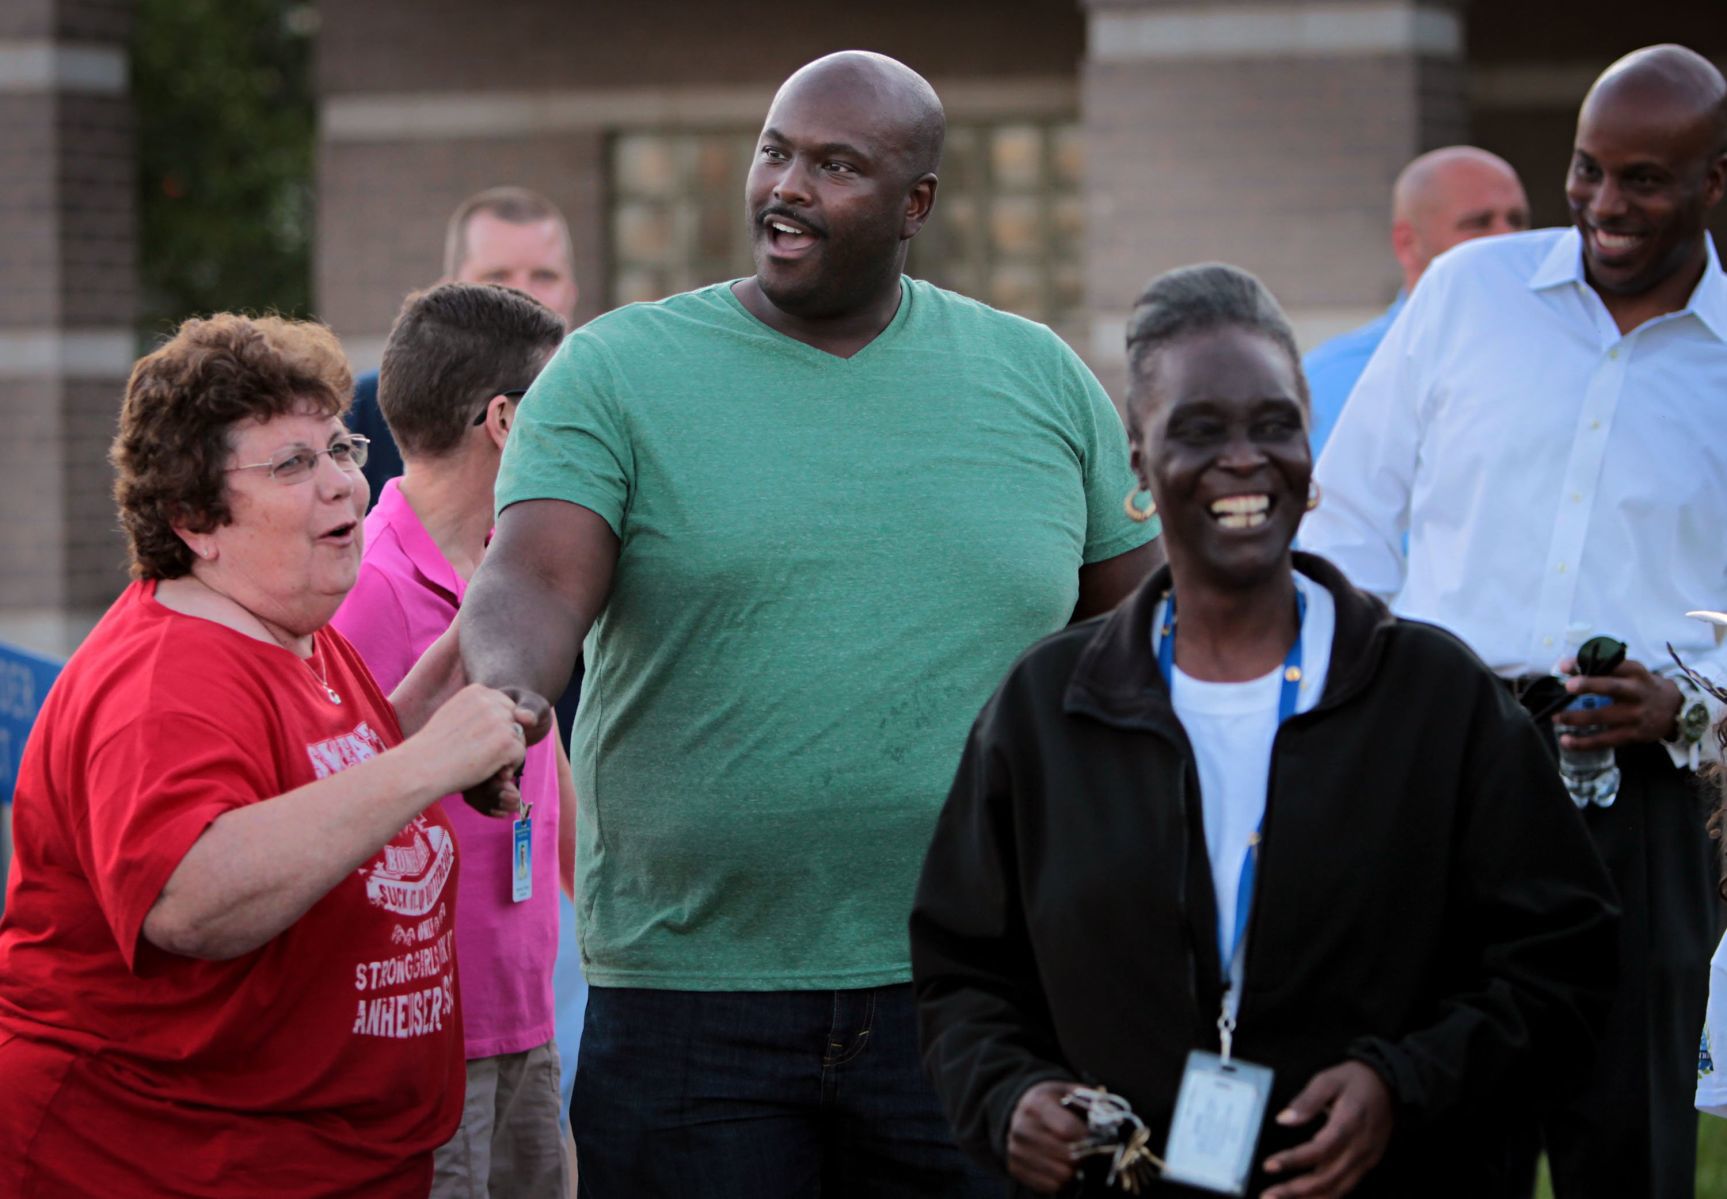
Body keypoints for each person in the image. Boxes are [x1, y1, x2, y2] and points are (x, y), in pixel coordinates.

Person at [460, 49, 1159, 1196]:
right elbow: (531, 576)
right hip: (687, 1002)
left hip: (974, 997)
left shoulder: (1036, 378)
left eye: (835, 165)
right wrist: (509, 694)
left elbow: (1144, 631)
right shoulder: (616, 370)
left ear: (913, 204)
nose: (785, 185)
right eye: (774, 149)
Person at [911, 262, 1619, 1198]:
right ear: (1137, 463)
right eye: (1197, 431)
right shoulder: (1046, 709)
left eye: (1273, 425)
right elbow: (963, 970)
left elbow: (1561, 959)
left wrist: (1401, 1084)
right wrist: (1008, 1097)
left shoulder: (1434, 698)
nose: (1242, 458)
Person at [1304, 44, 1727, 1198]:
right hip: (1445, 770)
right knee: (1435, 1132)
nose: (1601, 205)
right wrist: (1366, 710)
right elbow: (1338, 522)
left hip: (1638, 804)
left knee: (1626, 1146)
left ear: (1713, 182)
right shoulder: (1465, 292)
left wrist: (1687, 700)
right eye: (1585, 171)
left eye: (1642, 179)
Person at [0, 314, 533, 1197]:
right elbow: (192, 897)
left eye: (340, 448)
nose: (345, 487)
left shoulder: (292, 633)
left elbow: (313, 787)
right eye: (293, 464)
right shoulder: (163, 674)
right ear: (192, 517)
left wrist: (441, 688)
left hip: (320, 1157)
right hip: (168, 1160)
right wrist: (426, 764)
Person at [331, 283, 577, 1197]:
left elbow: (543, 759)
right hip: (428, 1040)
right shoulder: (364, 588)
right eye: (565, 406)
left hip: (523, 1019)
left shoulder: (512, 567)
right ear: (506, 420)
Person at [350, 186, 581, 504]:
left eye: (544, 276)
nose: (523, 292)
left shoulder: (605, 411)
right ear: (449, 290)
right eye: (497, 275)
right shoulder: (371, 406)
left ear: (571, 292)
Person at [1302, 146, 1528, 454]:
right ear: (1407, 243)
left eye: (1516, 220)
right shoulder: (1330, 382)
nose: (1508, 239)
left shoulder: (1553, 360)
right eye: (1478, 223)